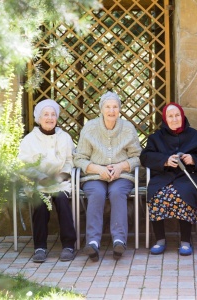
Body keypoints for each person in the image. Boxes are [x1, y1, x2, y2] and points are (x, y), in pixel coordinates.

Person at [140, 103, 197, 256]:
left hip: (188, 176)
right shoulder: (156, 138)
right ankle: (160, 239)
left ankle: (186, 241)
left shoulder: (194, 135)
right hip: (163, 177)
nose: (174, 119)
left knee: (184, 193)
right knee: (157, 194)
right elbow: (145, 157)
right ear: (165, 119)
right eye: (170, 116)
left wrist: (194, 159)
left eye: (177, 115)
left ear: (182, 117)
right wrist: (165, 160)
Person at [74, 91, 142, 262]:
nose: (112, 111)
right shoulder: (90, 127)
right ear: (101, 109)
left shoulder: (127, 128)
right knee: (96, 194)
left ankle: (119, 240)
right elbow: (79, 158)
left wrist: (121, 167)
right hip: (94, 176)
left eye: (115, 107)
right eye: (108, 107)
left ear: (119, 109)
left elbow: (138, 156)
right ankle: (92, 242)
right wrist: (97, 168)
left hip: (122, 175)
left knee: (117, 193)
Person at [18, 99, 77, 263]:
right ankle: (40, 247)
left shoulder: (64, 137)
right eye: (46, 114)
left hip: (60, 180)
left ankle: (68, 246)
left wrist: (62, 175)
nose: (50, 118)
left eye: (53, 114)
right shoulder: (30, 139)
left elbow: (70, 160)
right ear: (38, 117)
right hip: (38, 181)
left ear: (57, 117)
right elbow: (24, 164)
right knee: (40, 202)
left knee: (63, 200)